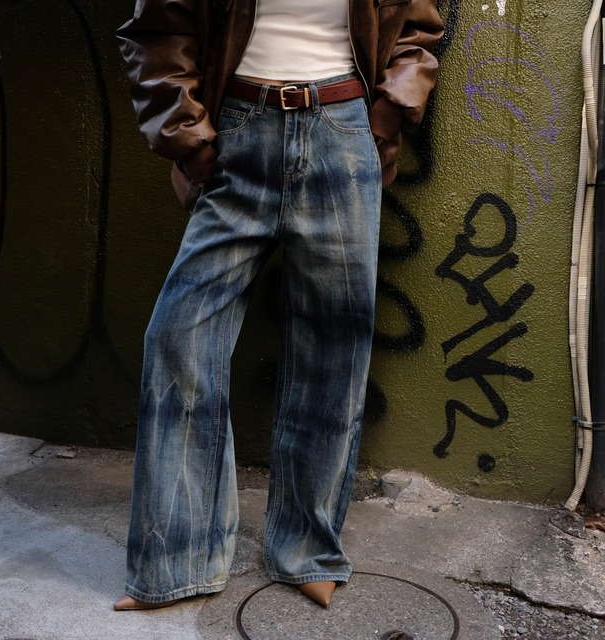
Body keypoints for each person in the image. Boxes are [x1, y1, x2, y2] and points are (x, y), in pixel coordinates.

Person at [114, 0, 443, 611]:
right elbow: (157, 31)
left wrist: (386, 114)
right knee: (179, 335)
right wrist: (190, 140)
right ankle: (176, 559)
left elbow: (417, 28)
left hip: (343, 128)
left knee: (333, 347)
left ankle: (307, 550)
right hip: (238, 129)